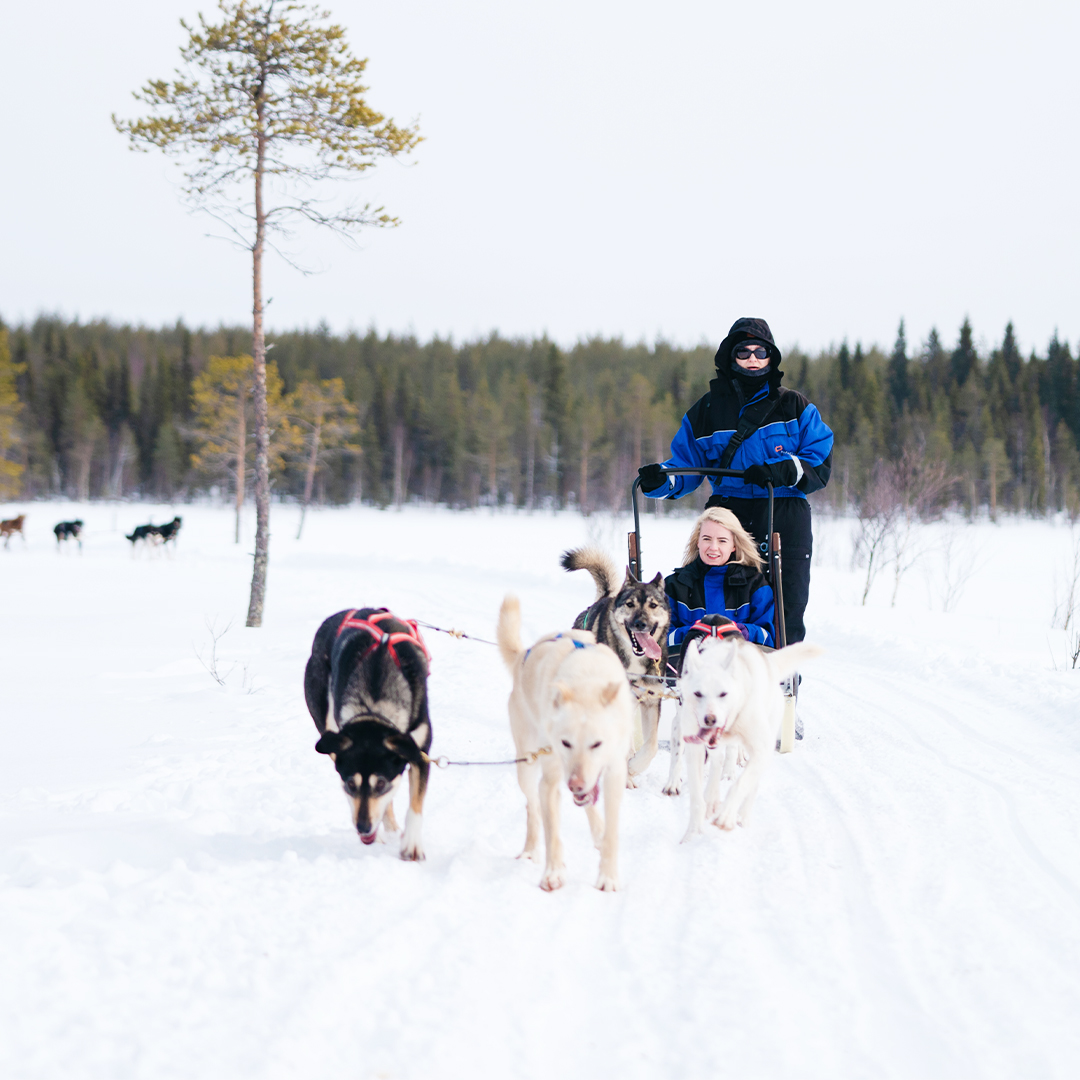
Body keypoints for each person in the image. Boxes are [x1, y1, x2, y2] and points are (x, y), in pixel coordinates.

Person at [639, 317, 833, 644]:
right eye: (744, 352)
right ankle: (710, 665)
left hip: (783, 508)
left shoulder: (795, 406)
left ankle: (779, 679)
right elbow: (687, 465)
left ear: (772, 357)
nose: (753, 359)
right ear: (731, 356)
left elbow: (819, 460)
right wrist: (660, 480)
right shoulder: (707, 410)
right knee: (722, 591)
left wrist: (780, 470)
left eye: (761, 351)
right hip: (729, 511)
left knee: (787, 601)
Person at [665, 507, 775, 664]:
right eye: (707, 539)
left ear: (734, 545)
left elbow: (768, 639)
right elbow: (661, 639)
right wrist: (696, 633)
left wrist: (740, 631)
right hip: (686, 671)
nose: (713, 547)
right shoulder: (674, 586)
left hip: (739, 672)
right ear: (697, 541)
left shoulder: (755, 585)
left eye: (722, 541)